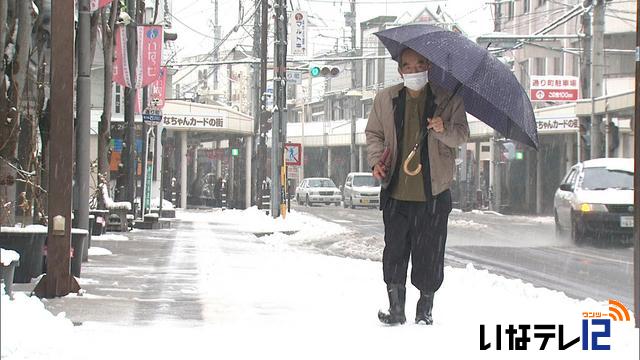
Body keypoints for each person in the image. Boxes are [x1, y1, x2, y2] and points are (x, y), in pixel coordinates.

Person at [365, 48, 469, 325]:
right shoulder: (386, 99)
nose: (414, 70)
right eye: (408, 66)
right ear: (400, 70)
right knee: (395, 252)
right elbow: (374, 134)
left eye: (420, 64)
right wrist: (376, 161)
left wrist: (442, 127)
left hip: (433, 193)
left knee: (430, 254)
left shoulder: (448, 100)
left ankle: (425, 309)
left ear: (429, 67)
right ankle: (395, 308)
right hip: (396, 192)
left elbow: (461, 135)